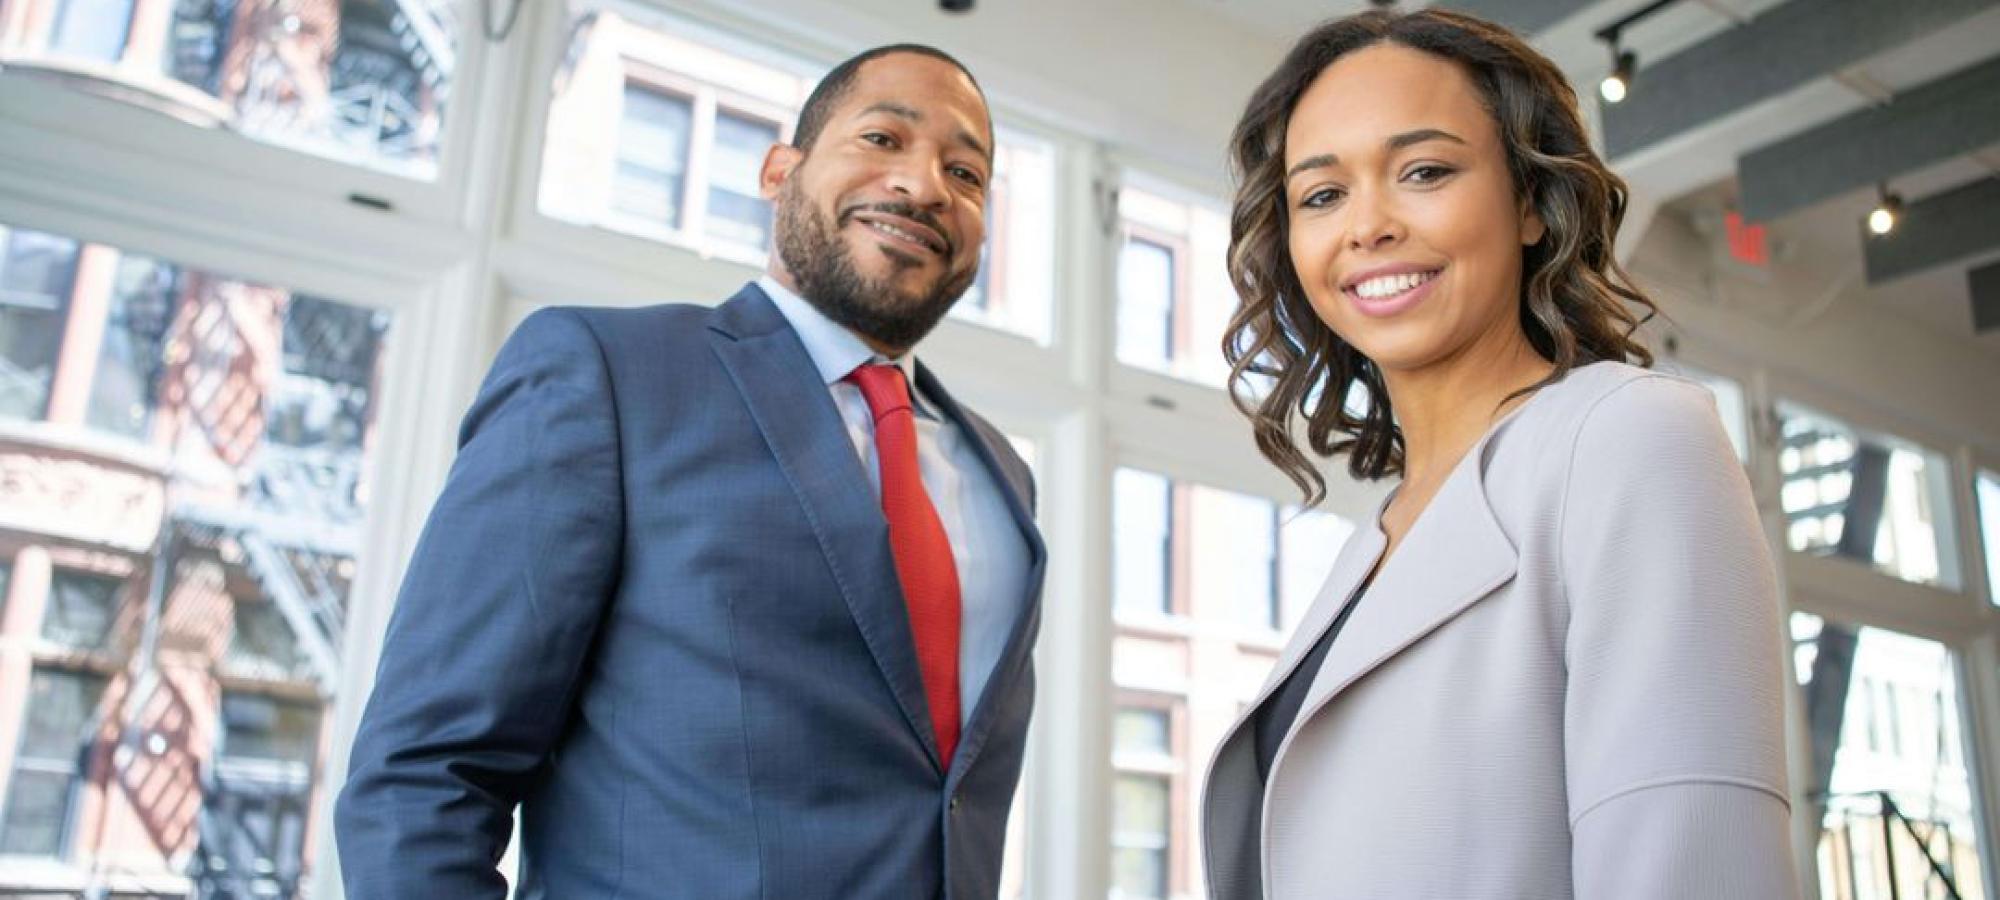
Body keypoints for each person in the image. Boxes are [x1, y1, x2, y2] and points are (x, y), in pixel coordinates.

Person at [335, 44, 1046, 899]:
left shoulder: (1001, 473)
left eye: (965, 173)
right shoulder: (605, 375)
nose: (926, 184)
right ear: (780, 170)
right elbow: (425, 777)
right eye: (884, 138)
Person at [1199, 9, 1796, 899]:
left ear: (1528, 201)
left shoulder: (1630, 438)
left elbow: (1692, 863)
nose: (1367, 226)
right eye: (1322, 195)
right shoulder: (1385, 531)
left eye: (1425, 171)